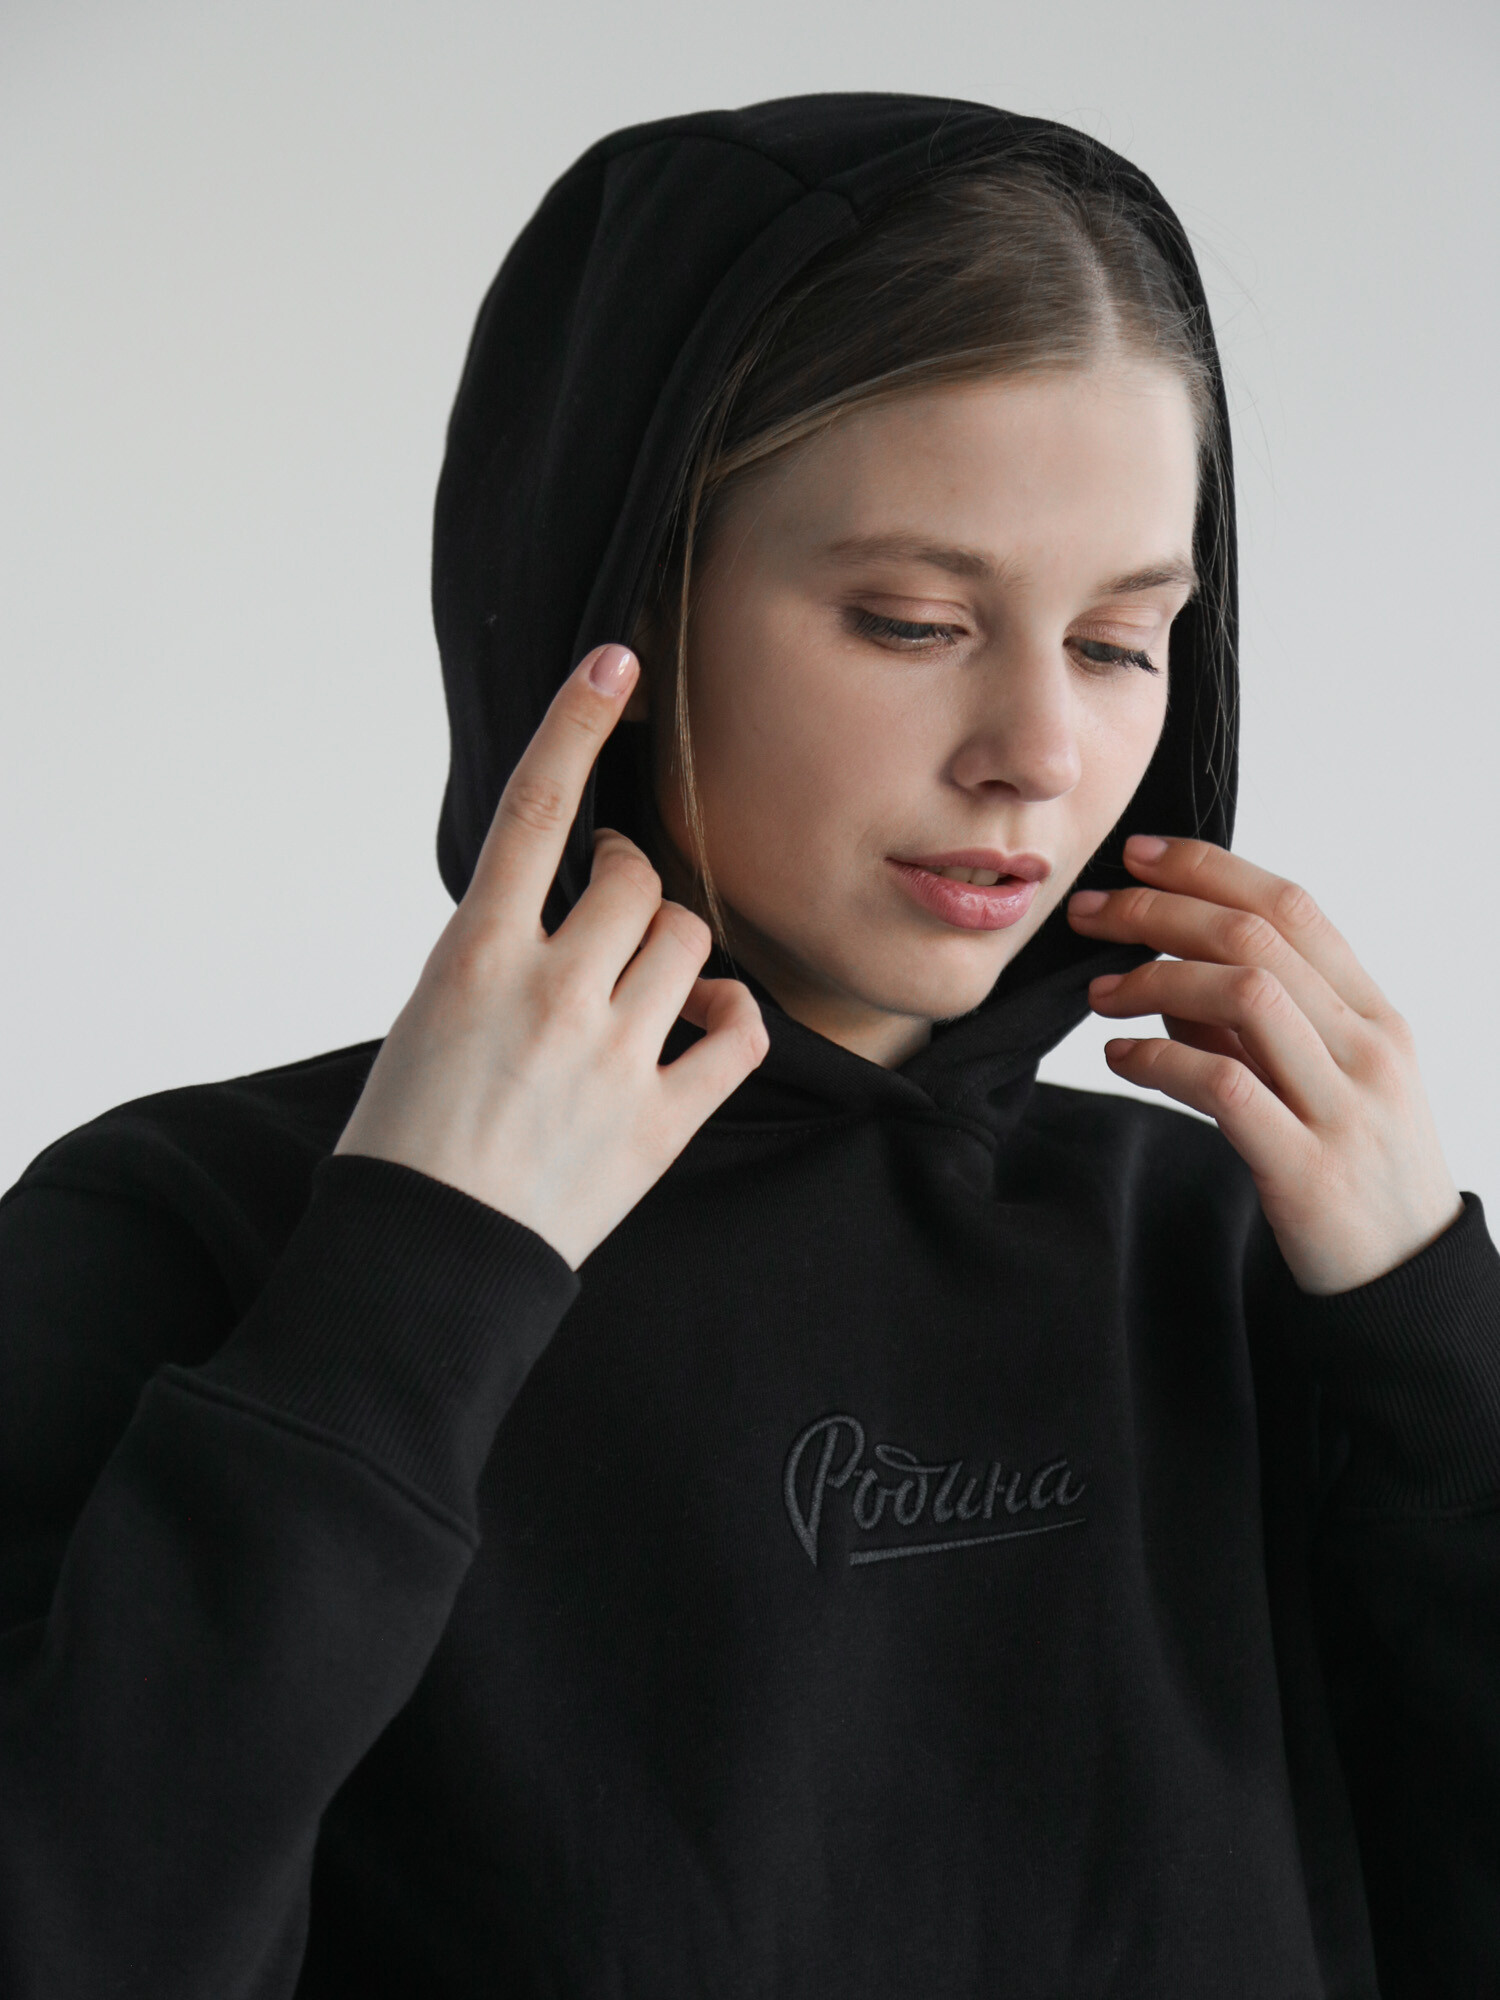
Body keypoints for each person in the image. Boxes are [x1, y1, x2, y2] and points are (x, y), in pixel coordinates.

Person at [1, 92, 1495, 2000]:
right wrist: (408, 1299)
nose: (1040, 754)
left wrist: (1433, 1346)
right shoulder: (195, 1237)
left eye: (1124, 642)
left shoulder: (1238, 1251)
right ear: (623, 594)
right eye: (913, 621)